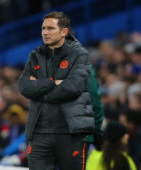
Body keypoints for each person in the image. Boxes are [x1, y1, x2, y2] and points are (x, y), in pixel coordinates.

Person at [18, 11, 95, 170]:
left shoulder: (79, 55)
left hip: (70, 132)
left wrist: (38, 89)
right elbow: (24, 87)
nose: (45, 32)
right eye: (43, 28)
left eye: (50, 28)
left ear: (64, 32)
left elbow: (73, 88)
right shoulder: (35, 55)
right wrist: (53, 82)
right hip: (39, 133)